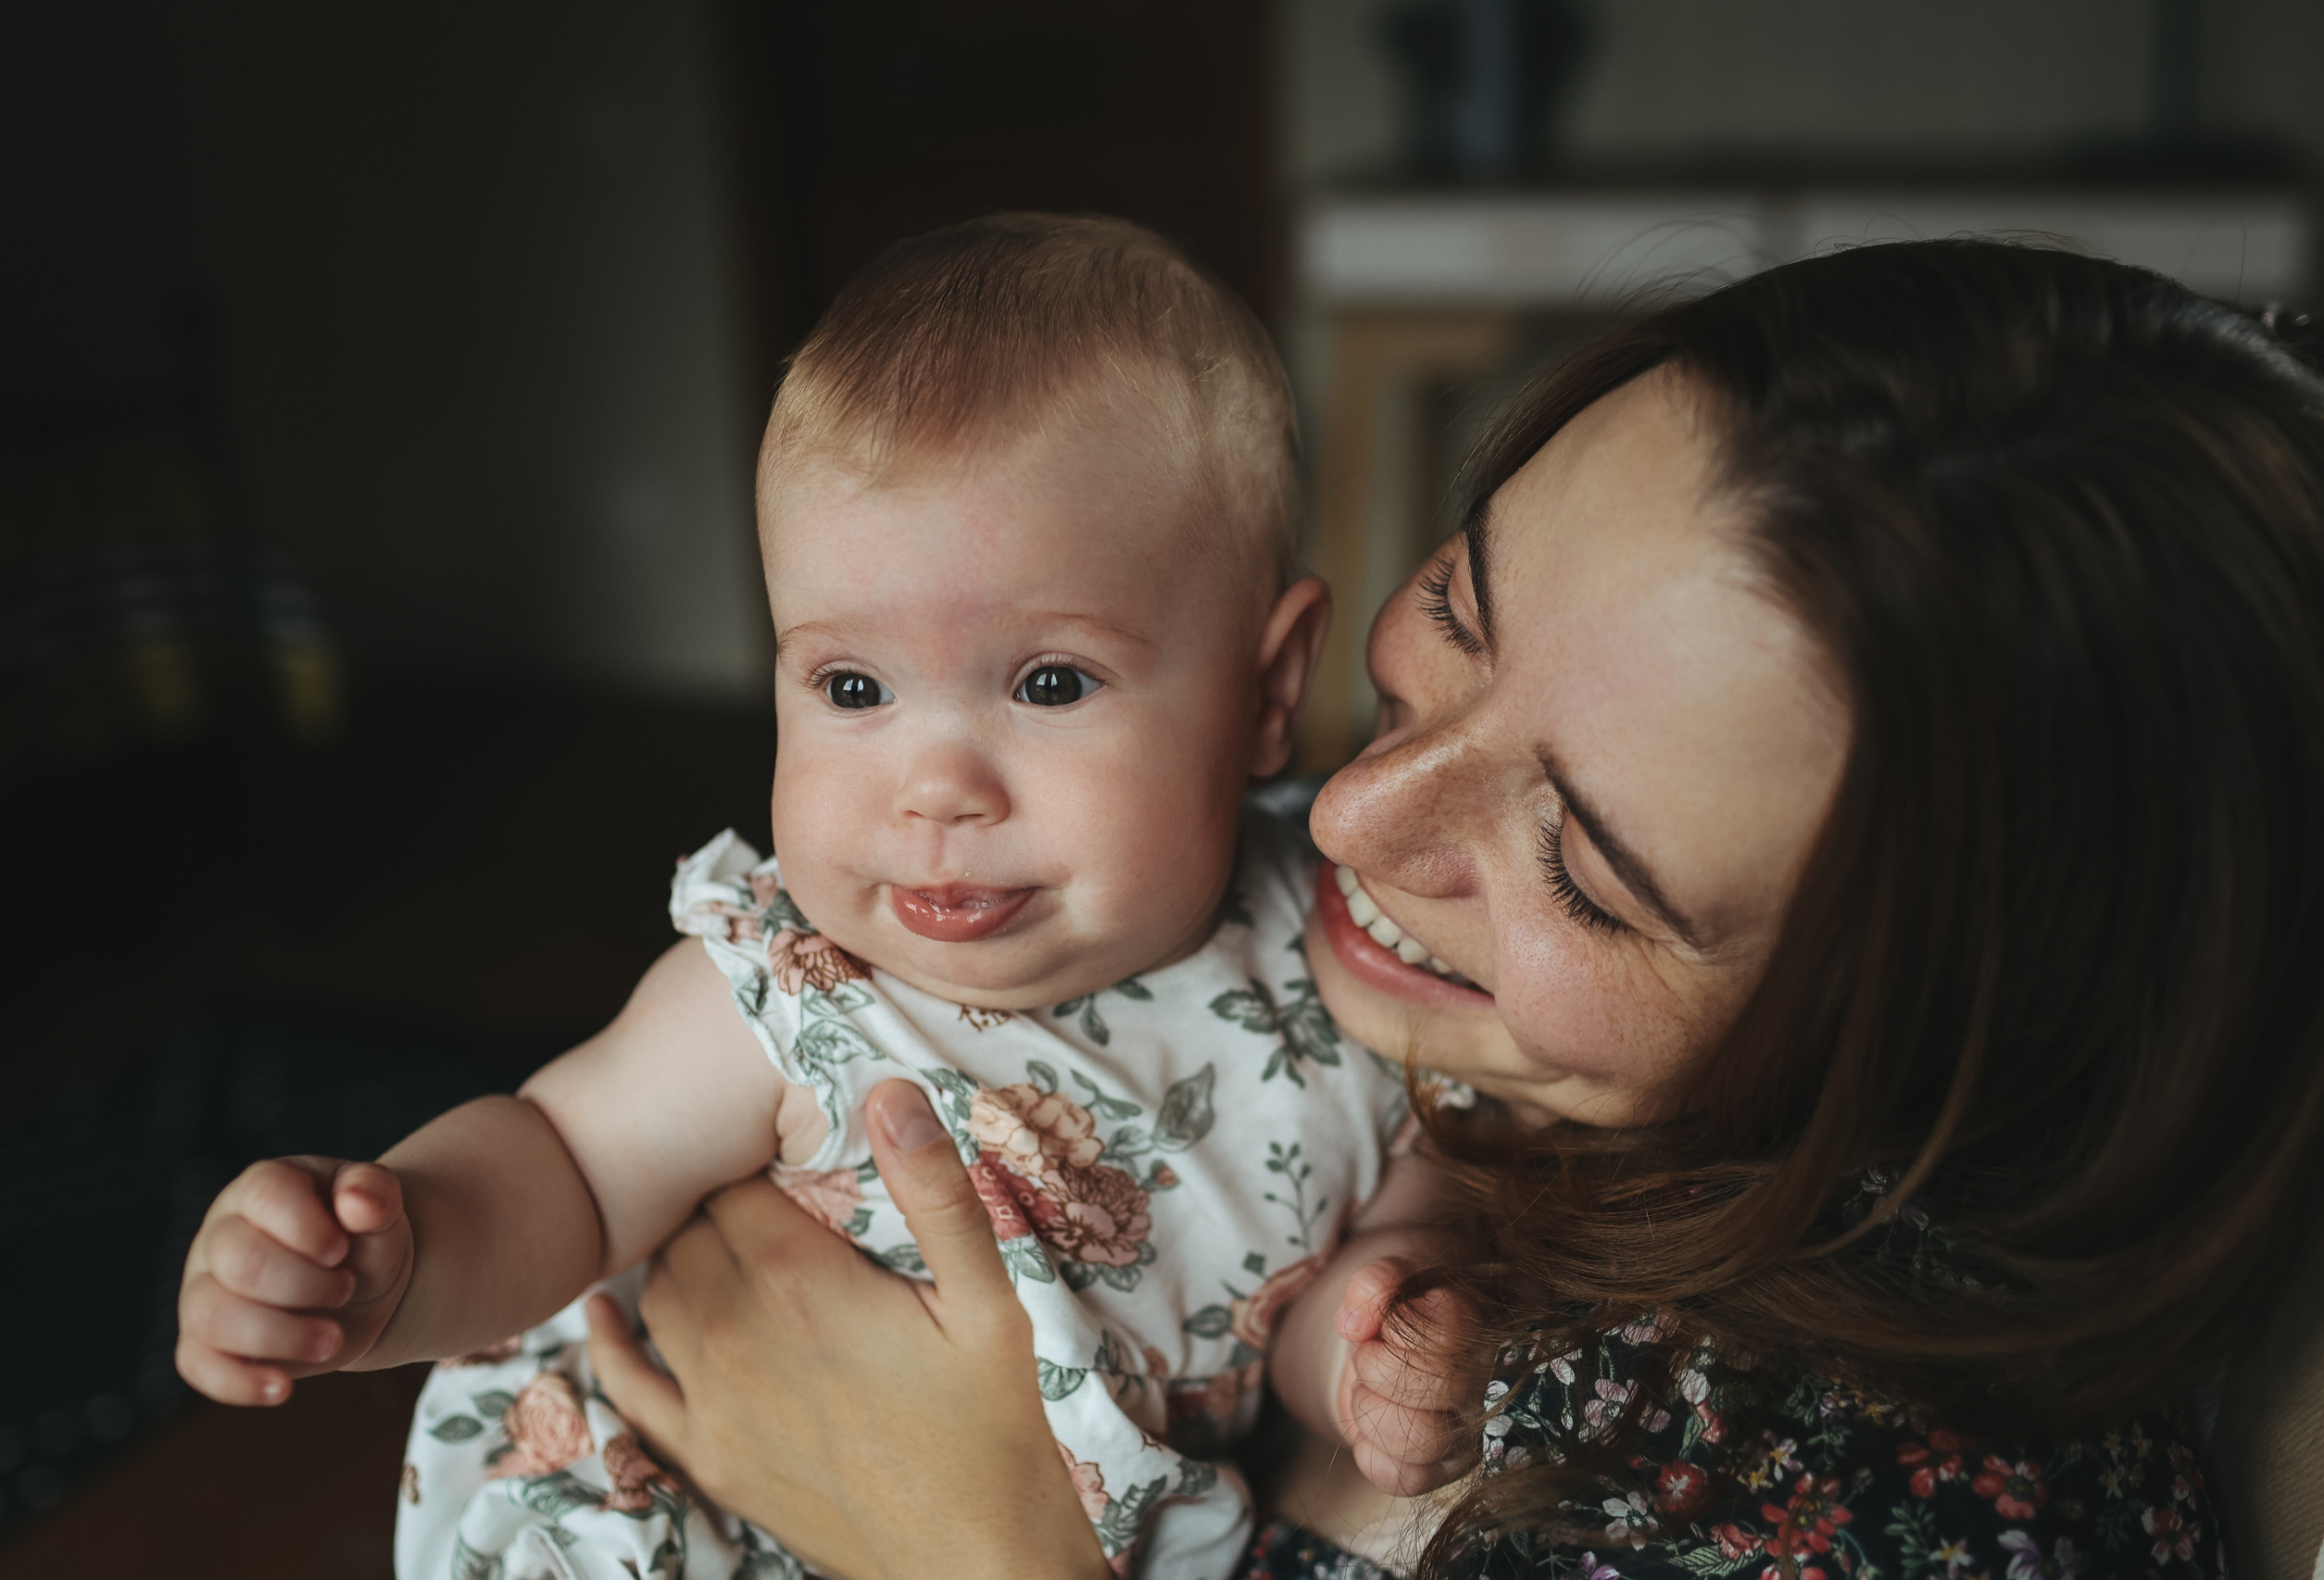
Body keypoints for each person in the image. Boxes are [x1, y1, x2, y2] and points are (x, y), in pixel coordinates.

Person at [575, 240, 2324, 1577]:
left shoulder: (1891, 1506)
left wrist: (987, 1545)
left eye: (1586, 867)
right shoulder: (1352, 994)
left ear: (1951, 1039)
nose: (1346, 810)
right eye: (1454, 623)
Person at [170, 214, 1491, 1580]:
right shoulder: (792, 986)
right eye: (852, 688)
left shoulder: (1343, 971)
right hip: (696, 1516)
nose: (933, 790)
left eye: (1050, 683)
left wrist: (1379, 1352)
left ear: (1268, 689)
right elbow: (562, 1166)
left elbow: (1365, 1252)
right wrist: (394, 1254)